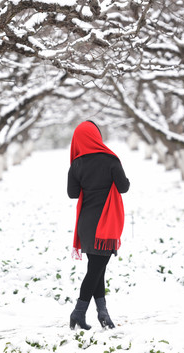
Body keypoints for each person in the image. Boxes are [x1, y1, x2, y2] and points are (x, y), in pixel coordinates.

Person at [67, 120, 130, 330]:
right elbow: (123, 187)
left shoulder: (76, 163)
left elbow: (73, 193)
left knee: (97, 269)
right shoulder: (111, 160)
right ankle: (78, 312)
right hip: (107, 222)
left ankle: (103, 314)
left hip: (86, 224)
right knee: (95, 270)